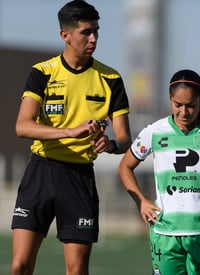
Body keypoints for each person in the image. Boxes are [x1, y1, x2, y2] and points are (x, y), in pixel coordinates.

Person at [10, 1, 131, 274]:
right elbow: (23, 126)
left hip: (79, 179)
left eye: (96, 31)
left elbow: (125, 138)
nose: (93, 39)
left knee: (76, 271)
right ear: (65, 35)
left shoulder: (111, 78)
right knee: (18, 266)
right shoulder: (42, 72)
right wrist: (70, 131)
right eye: (86, 32)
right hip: (40, 173)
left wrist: (111, 144)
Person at [118, 69, 200, 275]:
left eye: (191, 105)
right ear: (170, 100)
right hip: (164, 232)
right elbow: (125, 167)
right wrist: (141, 201)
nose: (184, 112)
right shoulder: (154, 132)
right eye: (177, 105)